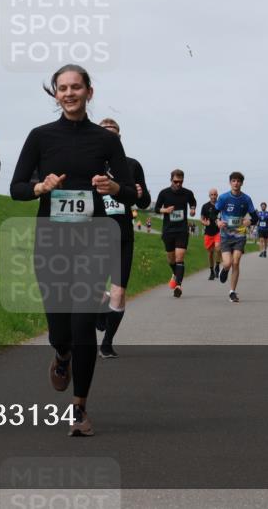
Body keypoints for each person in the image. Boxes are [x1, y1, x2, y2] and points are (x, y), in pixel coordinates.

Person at [10, 64, 137, 437]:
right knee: (59, 329)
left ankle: (79, 409)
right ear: (55, 94)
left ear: (88, 92)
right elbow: (17, 186)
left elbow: (130, 192)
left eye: (75, 87)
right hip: (51, 240)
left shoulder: (106, 140)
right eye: (62, 88)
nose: (69, 93)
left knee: (83, 325)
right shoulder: (40, 137)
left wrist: (114, 188)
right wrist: (39, 187)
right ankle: (61, 353)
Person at [95, 118, 151, 359]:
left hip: (123, 235)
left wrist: (139, 194)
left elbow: (146, 201)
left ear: (119, 139)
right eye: (105, 135)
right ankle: (102, 306)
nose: (110, 139)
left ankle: (107, 343)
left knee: (118, 292)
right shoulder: (88, 163)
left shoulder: (131, 165)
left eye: (114, 136)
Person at [215, 171, 259, 303]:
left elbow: (255, 217)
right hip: (225, 235)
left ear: (242, 183)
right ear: (230, 182)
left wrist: (249, 221)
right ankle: (225, 270)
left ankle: (232, 292)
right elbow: (213, 213)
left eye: (238, 181)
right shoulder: (223, 198)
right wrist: (217, 221)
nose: (236, 183)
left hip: (239, 234)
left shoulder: (246, 199)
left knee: (236, 261)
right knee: (228, 263)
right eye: (233, 181)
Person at [153, 170, 197, 298]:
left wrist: (193, 209)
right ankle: (175, 273)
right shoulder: (164, 193)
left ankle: (178, 285)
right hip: (168, 230)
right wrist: (165, 210)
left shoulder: (187, 193)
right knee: (171, 259)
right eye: (176, 181)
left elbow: (192, 202)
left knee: (180, 257)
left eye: (181, 182)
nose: (178, 184)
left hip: (182, 230)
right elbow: (156, 209)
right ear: (171, 180)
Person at [200, 188, 222, 280]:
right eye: (211, 195)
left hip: (218, 231)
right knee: (210, 253)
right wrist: (205, 223)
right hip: (208, 233)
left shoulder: (220, 205)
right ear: (209, 196)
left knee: (218, 249)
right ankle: (212, 271)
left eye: (215, 194)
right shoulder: (205, 206)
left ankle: (217, 265)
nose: (213, 196)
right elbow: (201, 219)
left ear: (217, 195)